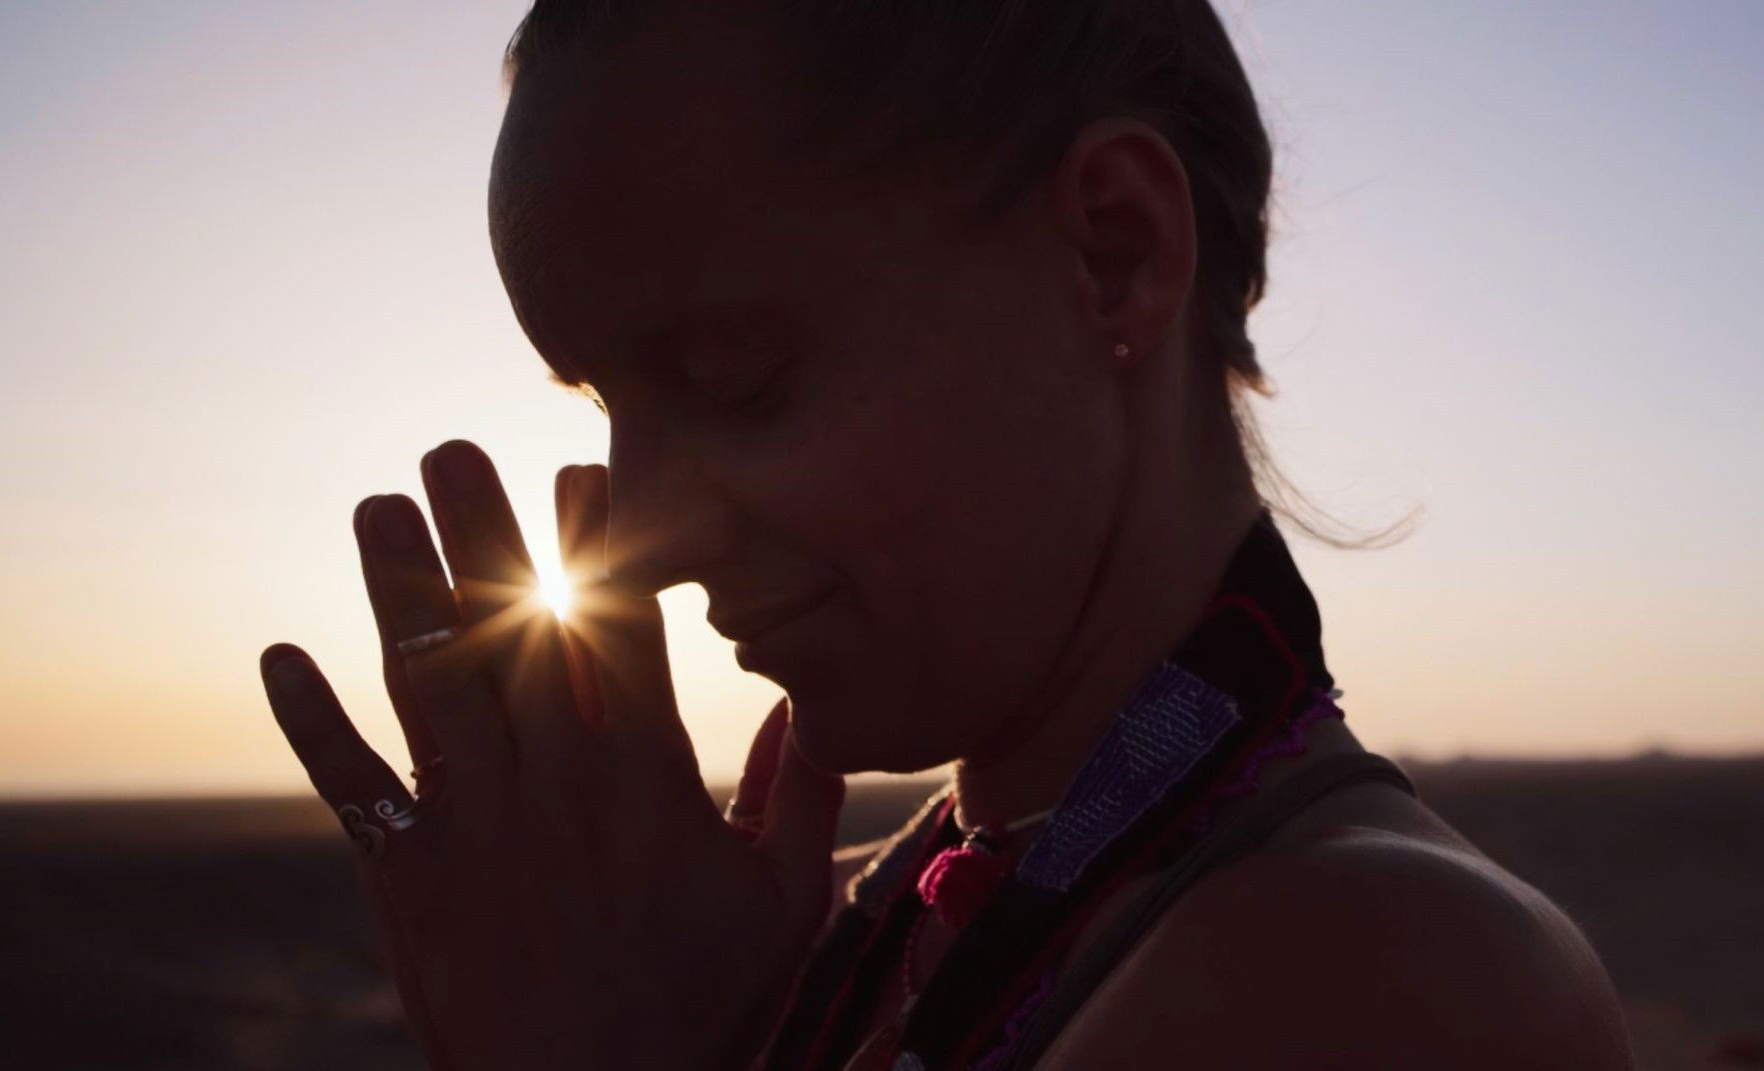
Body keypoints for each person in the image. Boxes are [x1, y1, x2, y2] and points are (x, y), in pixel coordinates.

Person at [258, 2, 1634, 1067]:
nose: (651, 539)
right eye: (611, 402)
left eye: (734, 373)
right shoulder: (888, 928)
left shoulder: (1380, 979)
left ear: (1114, 249)